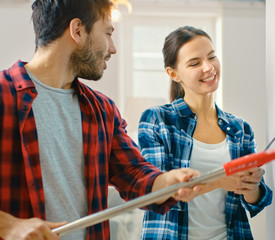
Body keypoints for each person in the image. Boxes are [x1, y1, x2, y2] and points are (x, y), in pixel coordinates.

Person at [0, 1, 203, 240]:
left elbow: (135, 176)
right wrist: (8, 225)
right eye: (107, 33)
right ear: (77, 30)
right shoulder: (3, 95)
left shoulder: (102, 110)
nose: (113, 48)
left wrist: (171, 180)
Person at [138, 26, 273, 240]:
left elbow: (258, 202)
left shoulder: (240, 128)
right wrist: (219, 180)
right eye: (195, 63)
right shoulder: (157, 120)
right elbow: (156, 193)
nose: (208, 67)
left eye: (212, 57)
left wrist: (250, 186)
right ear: (173, 74)